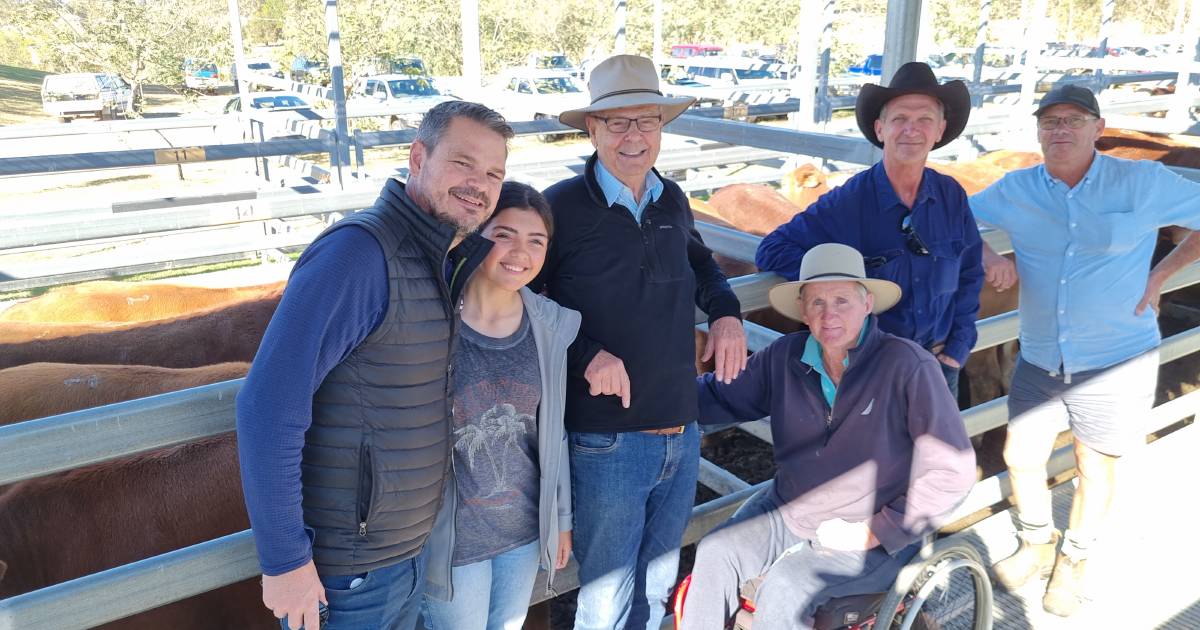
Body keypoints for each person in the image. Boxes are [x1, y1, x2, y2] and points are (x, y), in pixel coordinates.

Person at [236, 100, 513, 630]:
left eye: (494, 173)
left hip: (401, 557)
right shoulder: (359, 255)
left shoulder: (436, 258)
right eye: (463, 163)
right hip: (346, 575)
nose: (479, 183)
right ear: (417, 156)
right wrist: (285, 561)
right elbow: (267, 406)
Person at [534, 54, 748, 630]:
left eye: (646, 121)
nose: (634, 136)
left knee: (654, 589)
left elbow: (703, 264)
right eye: (617, 123)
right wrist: (584, 355)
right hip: (606, 439)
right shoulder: (558, 208)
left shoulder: (671, 199)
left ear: (661, 126)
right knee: (604, 599)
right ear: (593, 129)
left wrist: (727, 314)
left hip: (682, 425)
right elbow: (524, 300)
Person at [971, 83, 1200, 617]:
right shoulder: (1017, 187)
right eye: (1050, 122)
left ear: (1098, 129)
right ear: (1038, 132)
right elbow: (952, 217)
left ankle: (1073, 560)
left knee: (1093, 466)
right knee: (1020, 456)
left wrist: (1163, 273)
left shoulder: (1141, 180)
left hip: (1118, 357)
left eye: (1074, 120)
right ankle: (1035, 543)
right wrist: (985, 253)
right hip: (1041, 355)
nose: (1061, 130)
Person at [679, 243, 977, 630]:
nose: (828, 314)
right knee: (717, 552)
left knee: (787, 587)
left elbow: (952, 472)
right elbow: (719, 396)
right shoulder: (784, 357)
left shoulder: (907, 366)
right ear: (802, 310)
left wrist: (875, 531)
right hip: (790, 509)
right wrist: (658, 400)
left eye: (841, 300)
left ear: (867, 303)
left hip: (872, 527)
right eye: (816, 302)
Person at [755, 62, 985, 398]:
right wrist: (835, 285)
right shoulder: (849, 201)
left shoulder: (951, 195)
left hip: (938, 364)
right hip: (871, 367)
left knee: (934, 452)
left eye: (925, 119)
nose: (912, 129)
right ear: (880, 129)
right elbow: (773, 249)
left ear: (940, 130)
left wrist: (956, 352)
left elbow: (970, 273)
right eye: (899, 119)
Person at [420, 182, 580, 630]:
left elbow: (553, 432)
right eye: (504, 234)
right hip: (454, 542)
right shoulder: (435, 319)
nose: (520, 252)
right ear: (476, 236)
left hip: (523, 533)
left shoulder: (549, 326)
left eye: (536, 240)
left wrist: (560, 519)